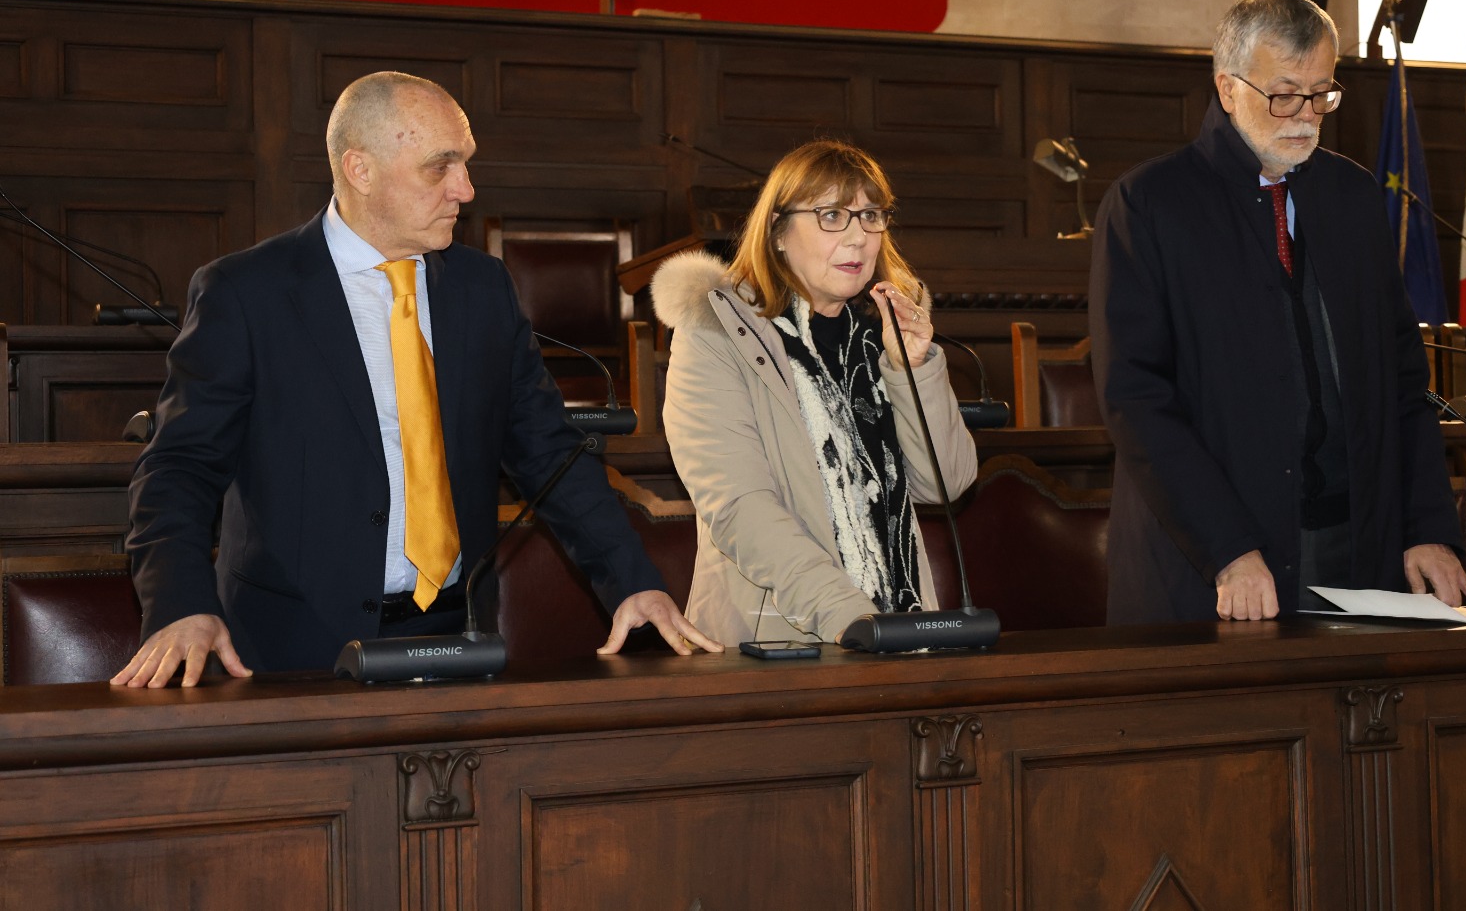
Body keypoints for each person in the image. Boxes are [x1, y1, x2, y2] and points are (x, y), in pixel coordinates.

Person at [114, 71, 719, 687]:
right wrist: (181, 605)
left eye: (466, 163)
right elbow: (179, 468)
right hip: (288, 651)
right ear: (361, 169)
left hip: (456, 638)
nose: (466, 188)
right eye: (441, 167)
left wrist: (633, 583)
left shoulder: (483, 289)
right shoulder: (248, 293)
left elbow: (550, 450)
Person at [1089, 0, 1466, 625]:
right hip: (1214, 564)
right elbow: (1137, 399)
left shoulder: (1352, 198)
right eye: (1283, 95)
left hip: (1359, 547)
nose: (1305, 115)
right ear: (1227, 88)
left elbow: (1404, 384)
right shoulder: (1150, 206)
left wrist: (1427, 525)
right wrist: (1229, 549)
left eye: (1321, 93)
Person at [651, 139, 977, 647]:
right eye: (831, 216)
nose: (858, 238)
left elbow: (946, 483)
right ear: (778, 231)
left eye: (871, 216)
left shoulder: (880, 329)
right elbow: (740, 507)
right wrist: (851, 618)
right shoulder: (717, 334)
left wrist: (911, 368)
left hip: (902, 629)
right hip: (784, 640)